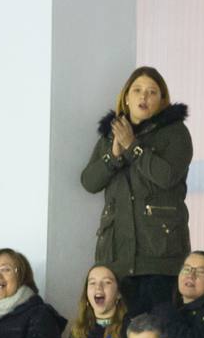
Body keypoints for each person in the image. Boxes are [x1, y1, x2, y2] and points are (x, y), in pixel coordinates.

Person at [83, 65, 193, 315]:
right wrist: (113, 156)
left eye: (152, 92)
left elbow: (166, 177)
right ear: (126, 97)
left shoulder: (175, 133)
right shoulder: (110, 134)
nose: (144, 97)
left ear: (162, 100)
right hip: (116, 259)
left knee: (156, 335)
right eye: (137, 90)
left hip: (160, 257)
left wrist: (132, 146)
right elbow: (89, 182)